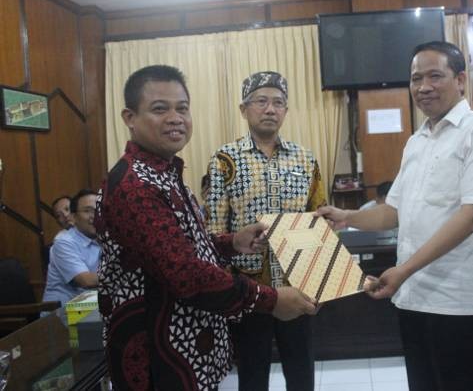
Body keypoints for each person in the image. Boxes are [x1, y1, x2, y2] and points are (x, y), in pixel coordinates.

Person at [95, 65, 317, 391]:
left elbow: (187, 244)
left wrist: (231, 242)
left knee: (302, 372)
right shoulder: (138, 184)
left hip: (264, 297)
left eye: (182, 108)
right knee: (253, 375)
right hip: (160, 349)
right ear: (130, 117)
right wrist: (267, 299)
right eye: (160, 108)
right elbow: (185, 272)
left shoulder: (166, 172)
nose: (175, 117)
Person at [318, 41, 473, 391]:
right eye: (415, 79)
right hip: (413, 297)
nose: (423, 87)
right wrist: (346, 216)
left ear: (460, 80)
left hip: (460, 302)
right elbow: (393, 212)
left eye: (434, 76)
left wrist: (404, 269)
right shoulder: (417, 142)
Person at [206, 71, 325, 391]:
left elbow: (319, 221)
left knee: (301, 372)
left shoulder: (305, 157)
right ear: (244, 109)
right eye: (261, 101)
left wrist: (321, 283)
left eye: (278, 102)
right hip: (248, 290)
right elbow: (214, 229)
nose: (270, 109)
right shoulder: (224, 159)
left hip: (296, 283)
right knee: (252, 375)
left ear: (286, 110)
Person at [42, 189, 100, 305]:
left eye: (98, 210)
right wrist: (120, 277)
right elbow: (86, 281)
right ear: (74, 217)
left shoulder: (103, 236)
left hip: (90, 304)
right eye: (87, 211)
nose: (94, 216)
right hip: (64, 312)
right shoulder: (63, 242)